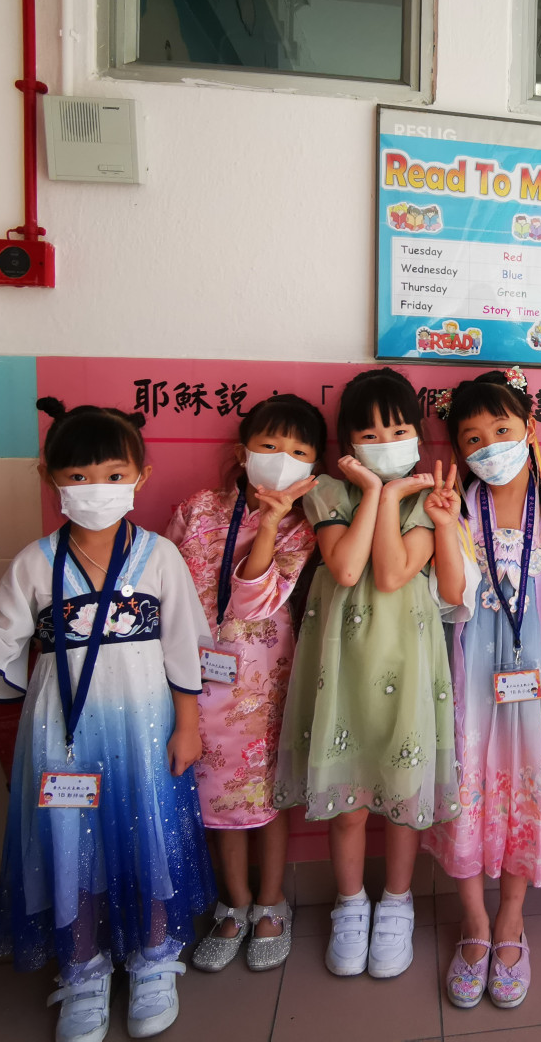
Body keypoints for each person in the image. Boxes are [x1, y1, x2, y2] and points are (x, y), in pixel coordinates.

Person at [0, 398, 214, 1042]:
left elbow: (183, 649)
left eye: (114, 474)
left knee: (150, 835)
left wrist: (188, 726)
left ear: (141, 476)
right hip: (61, 734)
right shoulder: (36, 562)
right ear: (50, 478)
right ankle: (83, 969)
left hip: (146, 726)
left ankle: (154, 959)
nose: (98, 488)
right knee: (71, 846)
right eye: (79, 475)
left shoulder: (160, 557)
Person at [274, 368, 463, 980]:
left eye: (399, 429)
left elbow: (392, 573)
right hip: (342, 666)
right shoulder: (330, 492)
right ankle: (351, 904)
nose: (386, 441)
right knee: (349, 805)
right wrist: (378, 493)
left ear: (418, 435)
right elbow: (348, 569)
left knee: (403, 797)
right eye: (371, 432)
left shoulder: (431, 500)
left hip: (407, 663)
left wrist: (394, 494)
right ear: (348, 441)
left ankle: (397, 904)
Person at [426, 369, 541, 1011]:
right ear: (459, 450)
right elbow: (452, 595)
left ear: (529, 428)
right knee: (466, 788)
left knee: (526, 785)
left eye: (502, 429)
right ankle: (474, 924)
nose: (490, 446)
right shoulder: (459, 507)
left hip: (534, 683)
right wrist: (445, 526)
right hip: (468, 677)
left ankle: (510, 922)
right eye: (473, 438)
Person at [166, 394, 323, 974]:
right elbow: (166, 589)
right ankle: (232, 904)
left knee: (266, 796)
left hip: (264, 681)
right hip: (194, 680)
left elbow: (254, 600)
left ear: (313, 468)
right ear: (242, 452)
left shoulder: (303, 530)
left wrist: (272, 522)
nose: (282, 459)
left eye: (299, 452)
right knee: (215, 797)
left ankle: (271, 903)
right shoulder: (197, 509)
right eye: (270, 445)